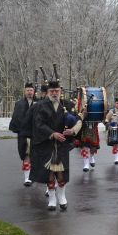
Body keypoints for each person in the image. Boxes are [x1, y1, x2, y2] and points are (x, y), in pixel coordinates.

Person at [31, 81, 82, 210]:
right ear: (47, 92)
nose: (54, 93)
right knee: (49, 173)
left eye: (57, 91)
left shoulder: (68, 105)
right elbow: (38, 124)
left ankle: (62, 197)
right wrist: (52, 133)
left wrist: (73, 130)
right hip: (46, 144)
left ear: (60, 91)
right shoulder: (40, 106)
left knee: (61, 174)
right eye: (52, 91)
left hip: (62, 145)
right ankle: (52, 199)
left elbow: (79, 120)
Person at [9, 83, 35, 186]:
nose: (29, 92)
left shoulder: (38, 103)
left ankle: (34, 176)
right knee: (25, 155)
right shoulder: (19, 103)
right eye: (27, 90)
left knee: (35, 156)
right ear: (24, 91)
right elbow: (16, 117)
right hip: (24, 134)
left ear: (34, 92)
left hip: (36, 134)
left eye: (31, 90)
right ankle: (27, 178)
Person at [104, 98, 118, 165]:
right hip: (114, 130)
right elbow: (106, 119)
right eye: (117, 103)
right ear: (115, 104)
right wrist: (107, 124)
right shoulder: (112, 111)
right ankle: (116, 158)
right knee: (115, 144)